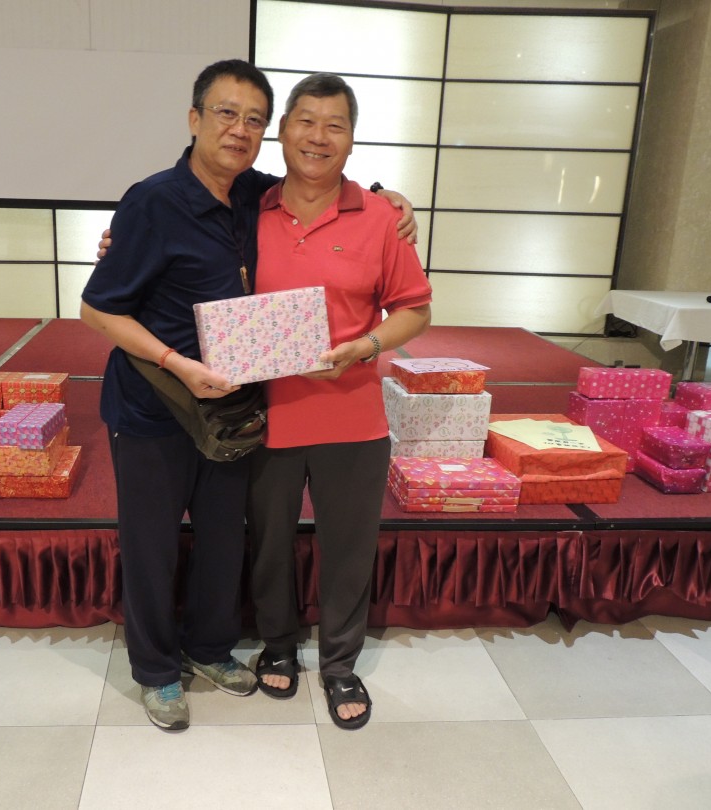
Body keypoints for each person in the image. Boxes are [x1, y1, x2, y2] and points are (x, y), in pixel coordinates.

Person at [80, 59, 415, 732]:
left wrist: (390, 198)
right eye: (226, 113)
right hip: (156, 403)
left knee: (222, 540)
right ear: (194, 118)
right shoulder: (152, 200)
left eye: (253, 118)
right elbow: (96, 309)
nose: (239, 129)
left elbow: (324, 181)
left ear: (268, 131)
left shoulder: (251, 194)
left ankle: (209, 649)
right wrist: (177, 363)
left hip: (232, 407)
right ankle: (156, 670)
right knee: (150, 544)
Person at [248, 73, 431, 730]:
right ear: (282, 130)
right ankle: (277, 643)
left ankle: (340, 662)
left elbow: (415, 309)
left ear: (352, 140)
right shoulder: (248, 209)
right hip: (263, 413)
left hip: (352, 413)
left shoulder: (381, 218)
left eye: (335, 125)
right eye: (305, 120)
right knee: (267, 542)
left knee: (349, 547)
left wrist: (368, 345)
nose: (318, 137)